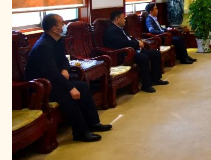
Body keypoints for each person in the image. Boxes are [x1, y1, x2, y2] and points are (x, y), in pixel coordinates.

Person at [25, 14, 112, 142]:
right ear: (54, 29)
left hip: (54, 82)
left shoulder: (57, 40)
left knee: (83, 87)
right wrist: (70, 88)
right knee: (68, 94)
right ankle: (80, 133)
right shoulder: (43, 46)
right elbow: (51, 73)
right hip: (42, 86)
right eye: (62, 23)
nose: (64, 25)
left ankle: (93, 123)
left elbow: (64, 59)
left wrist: (65, 69)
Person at [104, 10, 168, 93]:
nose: (125, 20)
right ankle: (146, 85)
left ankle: (155, 79)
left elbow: (129, 38)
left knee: (156, 53)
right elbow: (123, 43)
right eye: (123, 18)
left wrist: (138, 42)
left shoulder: (119, 28)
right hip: (123, 54)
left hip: (132, 50)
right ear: (117, 19)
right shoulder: (111, 30)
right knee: (144, 58)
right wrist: (137, 44)